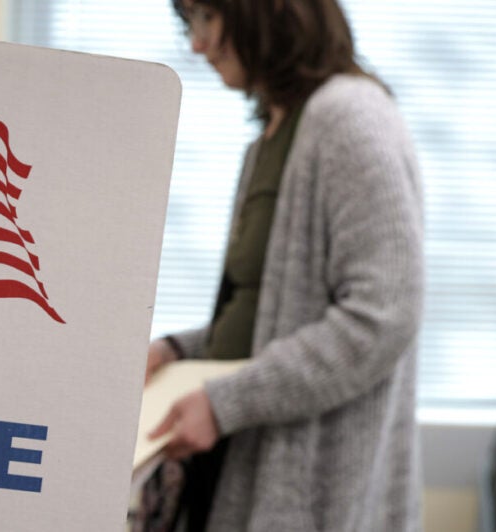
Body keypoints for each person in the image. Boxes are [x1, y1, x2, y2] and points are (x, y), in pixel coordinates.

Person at [139, 0, 424, 530]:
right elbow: (270, 313)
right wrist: (180, 350)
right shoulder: (273, 137)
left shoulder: (350, 117)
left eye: (205, 18)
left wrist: (228, 403)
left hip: (315, 490)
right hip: (236, 469)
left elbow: (383, 316)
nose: (197, 44)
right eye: (189, 24)